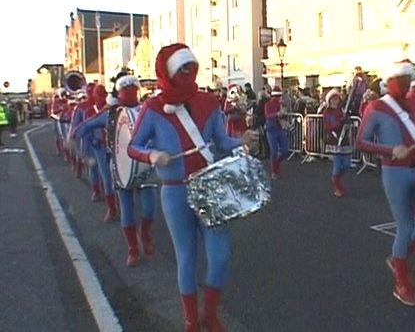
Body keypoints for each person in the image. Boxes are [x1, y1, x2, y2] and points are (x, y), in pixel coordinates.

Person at [128, 44, 258, 331]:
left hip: (209, 186)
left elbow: (221, 143)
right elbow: (132, 146)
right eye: (181, 68)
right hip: (174, 190)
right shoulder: (152, 108)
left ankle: (209, 314)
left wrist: (243, 142)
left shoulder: (209, 102)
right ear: (169, 71)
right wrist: (152, 155)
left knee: (221, 255)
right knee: (186, 257)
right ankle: (191, 320)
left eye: (191, 67)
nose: (188, 72)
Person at [357, 61, 415, 307]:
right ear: (389, 81)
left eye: (409, 78)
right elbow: (361, 142)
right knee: (405, 226)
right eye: (402, 78)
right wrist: (389, 150)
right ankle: (401, 279)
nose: (407, 83)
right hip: (394, 173)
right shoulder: (376, 107)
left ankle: (399, 258)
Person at [74, 72, 157, 266]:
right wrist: (75, 139)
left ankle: (144, 234)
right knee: (127, 210)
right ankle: (133, 249)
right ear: (118, 92)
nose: (130, 93)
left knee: (149, 209)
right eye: (126, 89)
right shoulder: (110, 114)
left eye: (133, 89)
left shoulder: (147, 110)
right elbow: (86, 126)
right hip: (120, 167)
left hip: (145, 165)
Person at [71, 84, 119, 222]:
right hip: (98, 145)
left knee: (118, 177)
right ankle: (109, 205)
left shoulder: (114, 108)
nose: (100, 97)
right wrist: (82, 148)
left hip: (116, 147)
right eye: (97, 94)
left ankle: (115, 201)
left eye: (103, 94)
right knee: (103, 175)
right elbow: (82, 127)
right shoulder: (87, 109)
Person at [323, 89, 351, 197]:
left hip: (344, 140)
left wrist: (347, 120)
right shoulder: (327, 112)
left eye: (337, 99)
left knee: (347, 164)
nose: (335, 101)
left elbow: (348, 122)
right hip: (334, 141)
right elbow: (327, 126)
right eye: (333, 99)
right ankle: (337, 186)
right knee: (337, 165)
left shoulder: (342, 110)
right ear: (329, 100)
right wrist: (340, 123)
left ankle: (337, 179)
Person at [264, 86, 289, 179]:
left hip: (280, 128)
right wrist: (277, 114)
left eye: (279, 96)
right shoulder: (268, 104)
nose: (278, 98)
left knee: (285, 150)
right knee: (274, 151)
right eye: (277, 96)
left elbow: (284, 116)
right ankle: (274, 171)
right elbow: (267, 116)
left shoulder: (281, 105)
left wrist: (284, 115)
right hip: (271, 130)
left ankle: (276, 164)